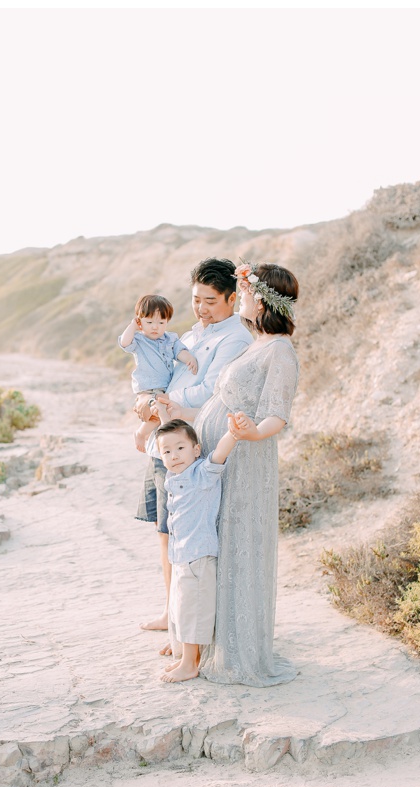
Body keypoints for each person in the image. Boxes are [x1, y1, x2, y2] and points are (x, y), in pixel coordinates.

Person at [162, 262, 300, 686]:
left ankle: (237, 651)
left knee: (237, 544)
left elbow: (278, 413)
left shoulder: (280, 350)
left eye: (245, 292)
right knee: (212, 547)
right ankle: (203, 642)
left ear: (263, 300)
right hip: (222, 454)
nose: (240, 297)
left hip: (243, 460)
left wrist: (250, 432)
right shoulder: (257, 343)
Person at [134, 259, 253, 635]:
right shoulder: (188, 334)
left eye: (210, 301)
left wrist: (162, 401)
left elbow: (210, 390)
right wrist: (147, 401)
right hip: (165, 442)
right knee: (165, 534)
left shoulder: (235, 338)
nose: (201, 308)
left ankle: (183, 624)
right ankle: (172, 613)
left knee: (185, 541)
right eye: (196, 299)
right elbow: (164, 373)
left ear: (232, 299)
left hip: (189, 450)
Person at [153, 417, 242, 683]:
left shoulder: (201, 473)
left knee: (194, 611)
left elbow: (219, 456)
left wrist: (233, 434)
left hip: (199, 556)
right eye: (166, 451)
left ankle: (190, 664)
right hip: (181, 557)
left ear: (196, 449)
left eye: (180, 448)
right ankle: (186, 657)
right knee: (181, 609)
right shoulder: (172, 478)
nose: (174, 455)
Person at [118, 294, 198, 453]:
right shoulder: (139, 340)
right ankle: (142, 433)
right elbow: (124, 342)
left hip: (164, 390)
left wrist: (189, 358)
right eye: (149, 322)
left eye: (161, 322)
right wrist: (133, 327)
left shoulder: (171, 339)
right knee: (157, 409)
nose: (155, 327)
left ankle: (150, 433)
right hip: (147, 390)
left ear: (167, 321)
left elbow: (179, 351)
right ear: (140, 321)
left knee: (159, 412)